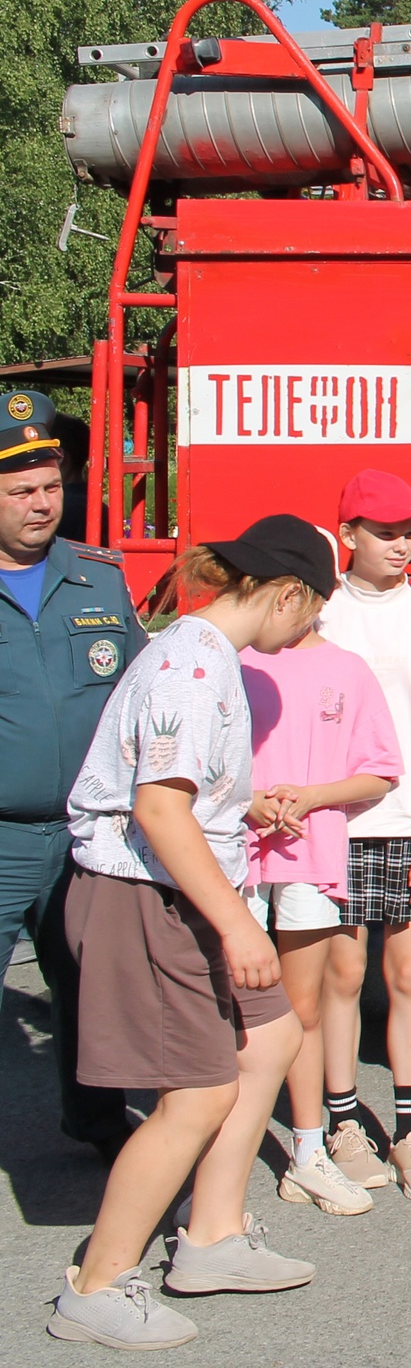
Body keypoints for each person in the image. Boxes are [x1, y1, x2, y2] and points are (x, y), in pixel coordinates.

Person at [47, 518, 337, 1349]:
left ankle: (209, 1238)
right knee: (198, 1092)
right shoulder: (189, 663)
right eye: (310, 613)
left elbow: (181, 789)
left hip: (180, 886)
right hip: (145, 894)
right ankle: (98, 1284)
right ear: (287, 593)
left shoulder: (207, 658)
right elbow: (157, 809)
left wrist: (241, 802)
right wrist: (240, 922)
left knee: (273, 1034)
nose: (306, 631)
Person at [314, 469, 411, 1204]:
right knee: (340, 978)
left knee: (409, 976)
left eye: (410, 530)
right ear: (347, 535)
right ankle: (342, 1122)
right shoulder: (322, 612)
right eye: (385, 530)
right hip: (334, 823)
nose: (403, 543)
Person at [0, 388, 140, 1160]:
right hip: (2, 835)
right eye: (22, 490)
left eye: (51, 487)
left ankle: (97, 1124)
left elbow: (142, 690)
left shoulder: (98, 579)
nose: (42, 503)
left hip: (86, 835)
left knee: (90, 987)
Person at [240, 570, 402, 1219]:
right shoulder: (237, 660)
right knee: (235, 1006)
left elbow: (380, 772)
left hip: (313, 855)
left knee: (299, 1007)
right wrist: (249, 802)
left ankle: (307, 1152)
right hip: (237, 853)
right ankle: (216, 1142)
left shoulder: (348, 669)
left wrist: (309, 796)